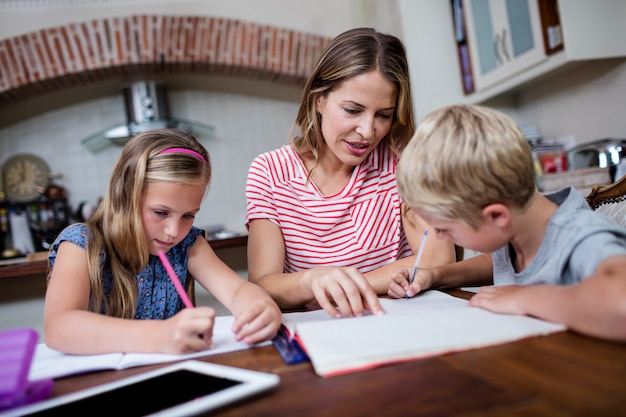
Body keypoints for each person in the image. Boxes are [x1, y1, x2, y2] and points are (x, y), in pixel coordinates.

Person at [245, 27, 456, 319]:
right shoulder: (269, 172)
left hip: (396, 321)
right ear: (319, 99)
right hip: (316, 331)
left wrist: (340, 284)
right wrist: (312, 279)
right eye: (353, 110)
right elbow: (264, 284)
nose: (368, 132)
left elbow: (437, 259)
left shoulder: (401, 160)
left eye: (383, 115)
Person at [390, 103, 626, 342]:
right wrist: (434, 276)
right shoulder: (514, 234)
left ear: (496, 215)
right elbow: (498, 264)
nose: (439, 236)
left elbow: (621, 304)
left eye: (444, 228)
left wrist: (524, 298)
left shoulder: (580, 235)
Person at [44, 129, 281, 355]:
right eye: (160, 212)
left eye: (188, 215)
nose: (173, 232)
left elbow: (238, 290)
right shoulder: (82, 245)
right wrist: (159, 336)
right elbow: (59, 328)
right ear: (124, 196)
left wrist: (262, 307)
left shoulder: (188, 245)